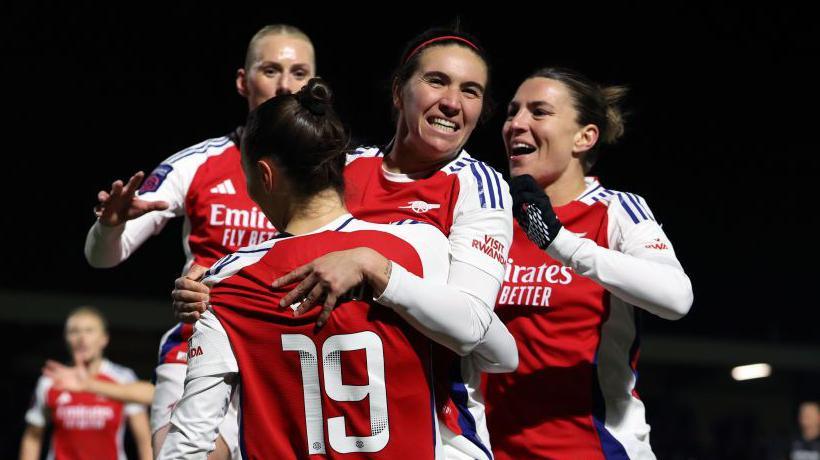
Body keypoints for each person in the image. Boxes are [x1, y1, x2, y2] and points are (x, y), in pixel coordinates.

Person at [173, 28, 518, 460]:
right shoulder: (343, 165)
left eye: (471, 91)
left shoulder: (477, 188)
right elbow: (280, 257)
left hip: (434, 431)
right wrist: (210, 291)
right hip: (322, 411)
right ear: (398, 91)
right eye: (437, 81)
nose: (452, 101)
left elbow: (475, 330)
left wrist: (374, 267)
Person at [83, 24, 316, 459]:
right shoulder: (196, 165)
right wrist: (110, 226)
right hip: (200, 350)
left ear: (315, 85)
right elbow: (103, 257)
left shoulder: (341, 172)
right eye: (271, 70)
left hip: (294, 360)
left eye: (299, 72)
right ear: (243, 82)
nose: (286, 85)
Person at [484, 67, 694, 459]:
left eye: (539, 112)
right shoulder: (488, 216)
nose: (516, 124)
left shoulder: (616, 211)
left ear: (585, 137)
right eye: (513, 112)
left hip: (597, 449)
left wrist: (560, 242)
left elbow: (677, 298)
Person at [19, 307, 152, 460]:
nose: (82, 338)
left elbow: (144, 439)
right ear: (66, 339)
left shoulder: (123, 379)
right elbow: (32, 437)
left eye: (89, 331)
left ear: (104, 339)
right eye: (74, 331)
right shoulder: (50, 381)